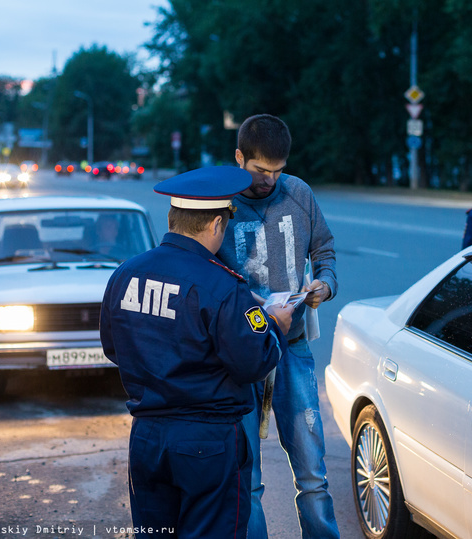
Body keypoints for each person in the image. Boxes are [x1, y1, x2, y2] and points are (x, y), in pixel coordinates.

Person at [99, 166, 294, 539]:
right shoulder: (222, 284)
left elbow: (114, 347)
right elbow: (253, 362)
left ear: (173, 219)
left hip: (147, 439)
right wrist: (276, 327)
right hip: (207, 444)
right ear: (217, 225)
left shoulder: (125, 274)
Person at [216, 114, 340, 539]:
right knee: (246, 479)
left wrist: (325, 283)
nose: (270, 180)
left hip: (294, 350)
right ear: (239, 157)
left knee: (313, 474)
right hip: (242, 357)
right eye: (260, 170)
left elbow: (324, 248)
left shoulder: (299, 193)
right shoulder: (221, 205)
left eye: (278, 171)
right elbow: (208, 275)